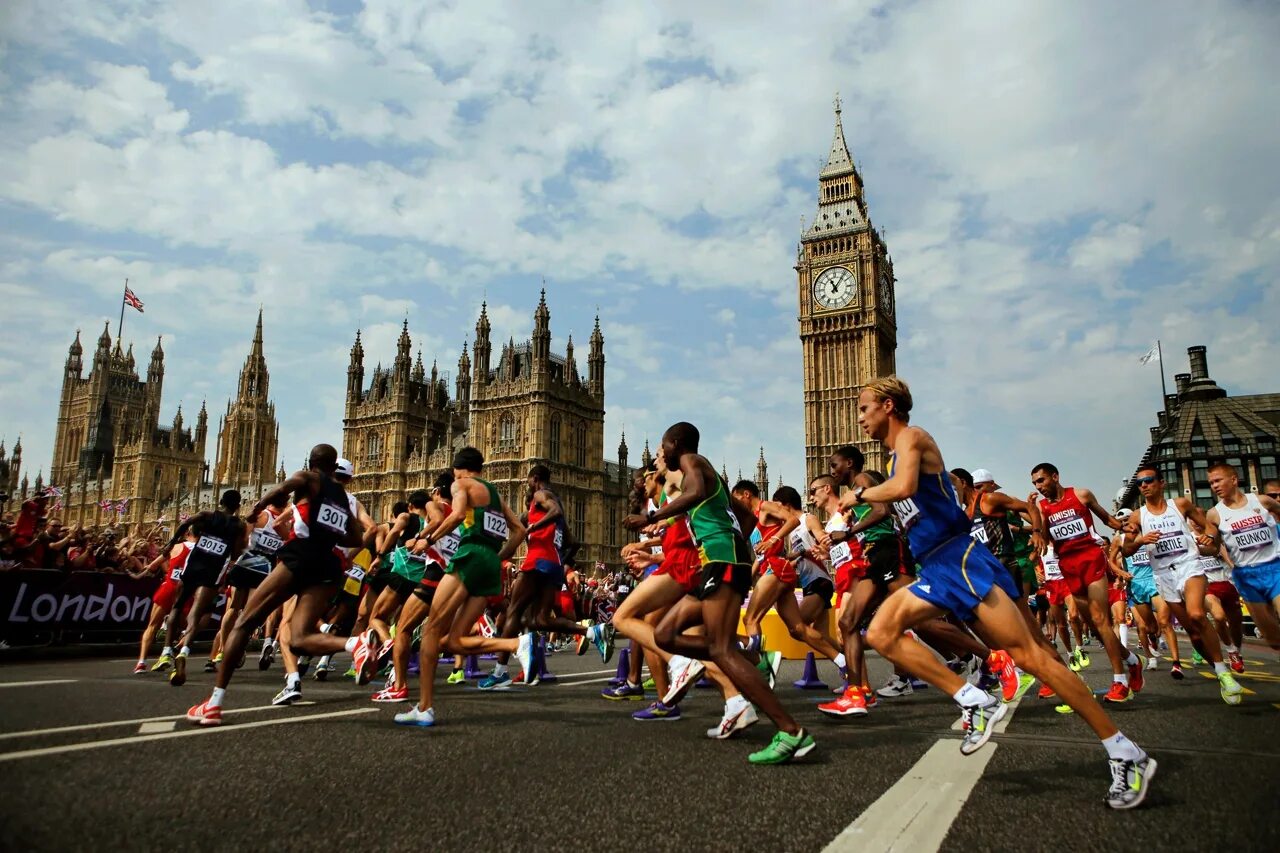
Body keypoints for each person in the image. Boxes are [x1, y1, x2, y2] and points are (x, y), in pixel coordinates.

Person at [844, 377, 1153, 809]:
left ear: (888, 406)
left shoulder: (913, 439)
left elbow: (905, 489)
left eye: (863, 408)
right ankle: (973, 700)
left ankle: (1125, 751)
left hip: (959, 561)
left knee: (1033, 657)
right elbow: (912, 499)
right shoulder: (895, 458)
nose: (859, 417)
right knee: (880, 632)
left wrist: (857, 493)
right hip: (935, 566)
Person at [627, 422, 815, 765]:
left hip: (721, 560)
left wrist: (655, 518)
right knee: (665, 633)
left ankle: (791, 731)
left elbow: (695, 493)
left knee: (718, 648)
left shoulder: (693, 462)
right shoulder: (707, 472)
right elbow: (745, 516)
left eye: (663, 446)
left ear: (675, 444)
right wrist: (735, 545)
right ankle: (748, 654)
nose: (661, 452)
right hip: (715, 560)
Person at [185, 445, 380, 726]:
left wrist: (258, 506)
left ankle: (214, 702)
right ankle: (355, 643)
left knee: (244, 622)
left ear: (313, 463)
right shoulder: (341, 497)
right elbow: (354, 538)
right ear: (333, 465)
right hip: (328, 564)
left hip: (300, 555)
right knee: (299, 638)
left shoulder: (308, 478)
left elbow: (281, 490)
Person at [393, 447, 534, 728]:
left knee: (432, 629)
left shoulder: (461, 484)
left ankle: (425, 707)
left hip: (469, 555)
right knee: (453, 640)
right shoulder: (494, 493)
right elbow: (519, 530)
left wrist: (428, 540)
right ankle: (516, 643)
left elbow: (456, 516)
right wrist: (499, 557)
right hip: (490, 563)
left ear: (458, 468)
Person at [1121, 464, 1242, 705]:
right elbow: (1126, 548)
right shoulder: (1138, 516)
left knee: (1197, 614)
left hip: (1189, 565)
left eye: (1149, 480)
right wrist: (1141, 540)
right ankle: (1220, 669)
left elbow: (1209, 527)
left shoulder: (1181, 505)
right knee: (1193, 632)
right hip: (1164, 574)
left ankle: (1225, 673)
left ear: (1161, 483)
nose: (1144, 486)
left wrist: (1210, 536)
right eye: (1140, 483)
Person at [1029, 463, 1144, 702]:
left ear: (1055, 476)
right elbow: (1044, 534)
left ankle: (1119, 681)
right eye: (1035, 484)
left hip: (1091, 559)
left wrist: (1125, 527)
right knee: (1094, 628)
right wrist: (1035, 532)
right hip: (1068, 567)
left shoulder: (1081, 494)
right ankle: (1132, 661)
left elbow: (1108, 520)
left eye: (1041, 480)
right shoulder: (1042, 508)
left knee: (1101, 619)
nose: (1039, 487)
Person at [162, 490, 248, 687]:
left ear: (220, 501)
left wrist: (170, 543)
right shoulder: (239, 525)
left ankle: (167, 651)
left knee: (177, 606)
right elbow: (236, 552)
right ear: (238, 506)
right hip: (213, 571)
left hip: (194, 565)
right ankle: (184, 652)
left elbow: (185, 524)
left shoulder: (209, 516)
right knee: (196, 613)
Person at [1206, 463, 1280, 653]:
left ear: (1233, 479)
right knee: (1273, 639)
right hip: (1246, 575)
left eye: (1218, 480)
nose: (1214, 486)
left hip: (1275, 567)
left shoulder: (1262, 501)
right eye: (1211, 483)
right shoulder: (1214, 514)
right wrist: (1202, 546)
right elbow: (1213, 549)